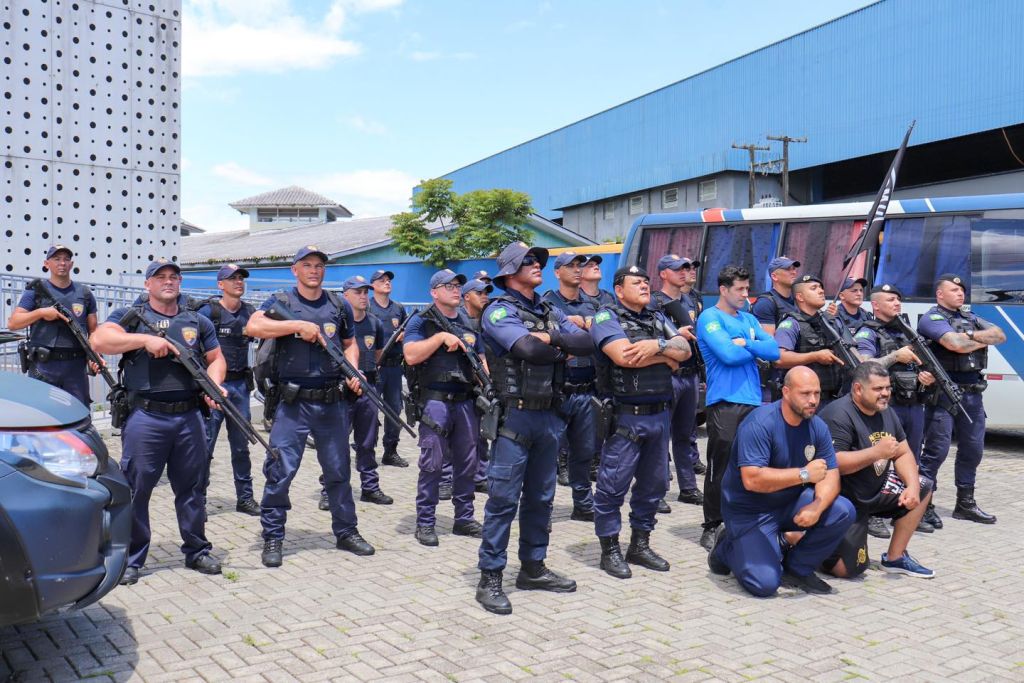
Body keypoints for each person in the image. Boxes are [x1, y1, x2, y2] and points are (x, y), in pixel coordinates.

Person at [475, 241, 594, 615]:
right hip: (515, 417)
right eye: (528, 261)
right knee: (502, 501)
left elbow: (589, 341)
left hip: (549, 416)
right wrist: (560, 345)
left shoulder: (547, 309)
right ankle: (490, 576)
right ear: (509, 271)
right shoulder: (497, 311)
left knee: (542, 499)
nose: (536, 265)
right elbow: (526, 349)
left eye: (538, 260)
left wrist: (552, 338)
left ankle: (533, 567)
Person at [92, 258, 225, 585]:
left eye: (173, 277)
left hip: (190, 416)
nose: (168, 281)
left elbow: (216, 359)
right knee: (137, 489)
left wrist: (214, 385)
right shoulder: (133, 316)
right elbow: (99, 340)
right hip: (146, 417)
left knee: (192, 488)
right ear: (148, 284)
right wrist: (145, 341)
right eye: (160, 277)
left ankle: (196, 550)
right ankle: (133, 557)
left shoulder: (197, 318)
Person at [245, 246, 374, 568]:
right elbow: (254, 326)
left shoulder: (337, 304)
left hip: (332, 403)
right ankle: (273, 536)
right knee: (280, 472)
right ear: (295, 270)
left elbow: (349, 345)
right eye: (307, 265)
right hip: (293, 404)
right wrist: (294, 326)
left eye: (319, 266)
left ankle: (346, 531)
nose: (314, 270)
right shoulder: (283, 303)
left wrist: (354, 370)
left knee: (339, 472)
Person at [707, 367, 855, 596]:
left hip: (788, 502)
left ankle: (798, 568)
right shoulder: (759, 424)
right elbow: (752, 480)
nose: (813, 400)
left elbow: (831, 474)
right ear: (786, 392)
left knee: (842, 510)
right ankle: (727, 546)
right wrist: (804, 474)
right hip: (749, 511)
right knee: (765, 584)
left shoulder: (817, 426)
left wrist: (817, 507)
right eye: (805, 394)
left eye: (817, 393)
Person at [590, 265, 692, 579]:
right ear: (619, 290)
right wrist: (666, 356)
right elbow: (624, 357)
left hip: (659, 414)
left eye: (647, 282)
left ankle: (640, 544)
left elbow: (685, 350)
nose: (645, 286)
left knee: (655, 484)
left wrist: (657, 346)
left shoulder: (656, 317)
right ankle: (609, 549)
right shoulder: (606, 318)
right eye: (637, 282)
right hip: (626, 419)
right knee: (612, 487)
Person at [819, 362, 935, 579]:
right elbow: (833, 462)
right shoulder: (838, 414)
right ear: (857, 389)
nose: (885, 394)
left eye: (887, 388)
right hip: (844, 501)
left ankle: (895, 558)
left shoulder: (885, 412)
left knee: (923, 486)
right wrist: (876, 453)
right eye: (878, 389)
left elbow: (903, 452)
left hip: (873, 489)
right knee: (850, 570)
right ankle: (808, 547)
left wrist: (910, 486)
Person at [695, 265, 780, 551]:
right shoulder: (710, 317)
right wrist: (754, 345)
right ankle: (711, 524)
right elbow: (729, 355)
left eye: (747, 288)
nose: (746, 294)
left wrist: (747, 342)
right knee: (720, 467)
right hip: (724, 402)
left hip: (753, 402)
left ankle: (742, 517)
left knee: (753, 464)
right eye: (740, 289)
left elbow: (775, 351)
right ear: (723, 290)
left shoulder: (748, 319)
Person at [404, 269, 485, 546]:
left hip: (465, 401)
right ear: (434, 292)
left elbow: (481, 360)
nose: (454, 289)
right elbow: (410, 355)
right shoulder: (421, 320)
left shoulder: (468, 321)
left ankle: (464, 518)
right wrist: (439, 339)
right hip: (435, 401)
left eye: (457, 285)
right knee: (433, 463)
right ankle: (425, 522)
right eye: (448, 285)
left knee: (467, 463)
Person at [918, 273, 1005, 526]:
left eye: (961, 291)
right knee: (937, 451)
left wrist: (967, 338)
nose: (960, 294)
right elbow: (953, 344)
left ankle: (965, 504)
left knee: (973, 450)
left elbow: (1000, 334)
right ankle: (925, 505)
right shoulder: (931, 318)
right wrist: (974, 338)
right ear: (939, 294)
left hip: (972, 394)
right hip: (944, 394)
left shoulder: (969, 318)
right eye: (953, 290)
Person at [853, 283, 936, 536]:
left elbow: (922, 365)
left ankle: (907, 506)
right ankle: (871, 513)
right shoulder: (867, 332)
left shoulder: (906, 332)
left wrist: (925, 378)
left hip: (912, 404)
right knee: (878, 460)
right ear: (875, 305)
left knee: (911, 456)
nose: (897, 303)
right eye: (890, 300)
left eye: (898, 300)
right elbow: (863, 365)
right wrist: (894, 357)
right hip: (885, 406)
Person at [196, 264, 260, 517]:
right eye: (232, 279)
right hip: (213, 388)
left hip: (240, 387)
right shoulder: (208, 311)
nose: (238, 282)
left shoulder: (250, 313)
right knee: (206, 445)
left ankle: (245, 498)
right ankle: (198, 499)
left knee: (241, 446)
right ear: (220, 284)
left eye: (241, 278)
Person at [542, 251, 599, 520]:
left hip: (588, 387)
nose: (577, 270)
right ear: (557, 272)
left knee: (584, 451)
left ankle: (583, 503)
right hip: (558, 388)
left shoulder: (593, 304)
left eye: (580, 265)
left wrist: (583, 325)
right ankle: (543, 505)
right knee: (548, 451)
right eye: (571, 266)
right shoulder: (547, 304)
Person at [7, 245, 99, 406]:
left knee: (79, 416)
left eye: (66, 259)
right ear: (46, 263)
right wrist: (41, 313)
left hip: (75, 368)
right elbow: (13, 323)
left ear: (71, 264)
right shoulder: (35, 292)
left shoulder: (84, 293)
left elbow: (94, 332)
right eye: (56, 259)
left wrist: (95, 357)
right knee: (41, 416)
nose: (62, 263)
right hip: (44, 367)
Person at [648, 254, 704, 507]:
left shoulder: (691, 300)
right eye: (677, 269)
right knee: (661, 435)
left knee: (686, 434)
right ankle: (656, 491)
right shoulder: (653, 302)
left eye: (686, 269)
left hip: (690, 374)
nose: (684, 273)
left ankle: (689, 488)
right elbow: (648, 336)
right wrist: (674, 336)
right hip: (666, 375)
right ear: (663, 273)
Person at [340, 275, 393, 506]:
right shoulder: (338, 322)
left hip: (368, 387)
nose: (363, 297)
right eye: (357, 292)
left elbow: (379, 354)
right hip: (342, 388)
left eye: (365, 292)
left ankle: (370, 487)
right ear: (346, 296)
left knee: (368, 441)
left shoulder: (374, 323)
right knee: (337, 442)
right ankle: (330, 489)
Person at [774, 275, 850, 408]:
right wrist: (815, 356)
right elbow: (779, 359)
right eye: (813, 288)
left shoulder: (833, 321)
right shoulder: (792, 323)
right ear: (800, 297)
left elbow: (853, 352)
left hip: (837, 398)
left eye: (821, 287)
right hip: (804, 402)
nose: (821, 291)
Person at [368, 269, 409, 468]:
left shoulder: (398, 308)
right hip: (374, 368)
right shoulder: (367, 306)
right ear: (372, 285)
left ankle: (390, 451)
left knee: (394, 410)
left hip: (394, 368)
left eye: (388, 280)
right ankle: (366, 450)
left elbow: (409, 330)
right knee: (369, 412)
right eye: (381, 280)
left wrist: (404, 335)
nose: (387, 283)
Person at [750, 256, 800, 336]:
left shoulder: (798, 300)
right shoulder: (765, 303)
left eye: (794, 268)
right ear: (774, 276)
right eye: (788, 269)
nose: (794, 272)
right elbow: (769, 344)